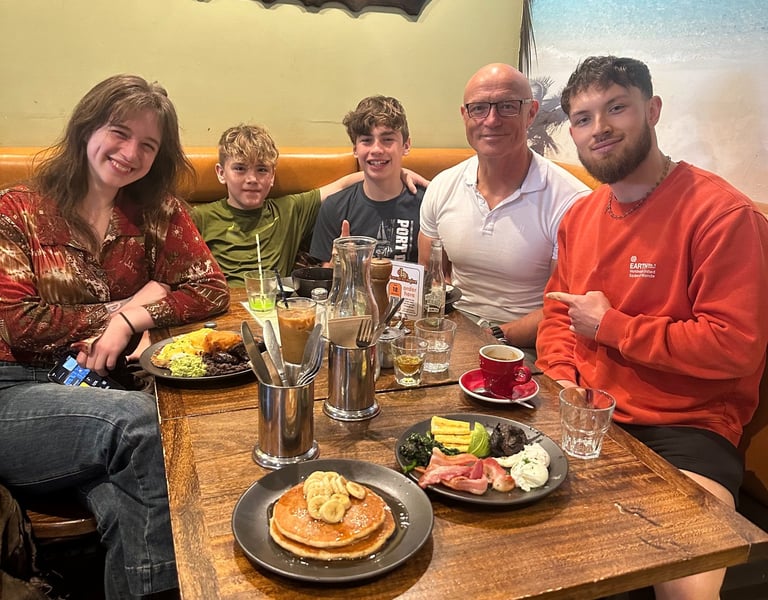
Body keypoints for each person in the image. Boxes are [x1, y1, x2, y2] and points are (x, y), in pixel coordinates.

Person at [535, 56, 768, 599]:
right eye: (583, 118)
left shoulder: (723, 215)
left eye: (617, 108)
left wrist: (613, 326)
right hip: (586, 416)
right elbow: (557, 315)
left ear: (652, 110)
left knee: (685, 587)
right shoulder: (581, 216)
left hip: (686, 431)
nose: (601, 128)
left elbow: (735, 348)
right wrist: (559, 377)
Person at [0, 74, 230, 599]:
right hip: (13, 390)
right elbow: (24, 324)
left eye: (148, 145)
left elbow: (210, 288)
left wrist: (131, 322)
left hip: (102, 394)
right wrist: (125, 307)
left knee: (134, 491)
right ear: (87, 126)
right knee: (144, 426)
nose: (130, 153)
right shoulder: (17, 209)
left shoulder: (157, 212)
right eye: (119, 132)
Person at [418, 63, 590, 347]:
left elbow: (563, 308)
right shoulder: (441, 187)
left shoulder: (570, 201)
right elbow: (429, 277)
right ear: (465, 115)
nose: (492, 120)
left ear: (531, 113)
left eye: (508, 106)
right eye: (479, 108)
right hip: (450, 338)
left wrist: (495, 337)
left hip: (529, 349)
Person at [193, 124, 427, 285]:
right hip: (222, 311)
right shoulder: (200, 217)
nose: (252, 179)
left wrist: (395, 171)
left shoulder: (289, 209)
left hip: (273, 309)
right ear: (221, 172)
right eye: (240, 168)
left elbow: (340, 185)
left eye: (262, 169)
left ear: (272, 175)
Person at [310, 95, 424, 264]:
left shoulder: (427, 203)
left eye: (387, 139)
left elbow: (440, 273)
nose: (377, 149)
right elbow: (324, 281)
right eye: (366, 140)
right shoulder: (335, 207)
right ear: (355, 149)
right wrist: (337, 266)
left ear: (405, 146)